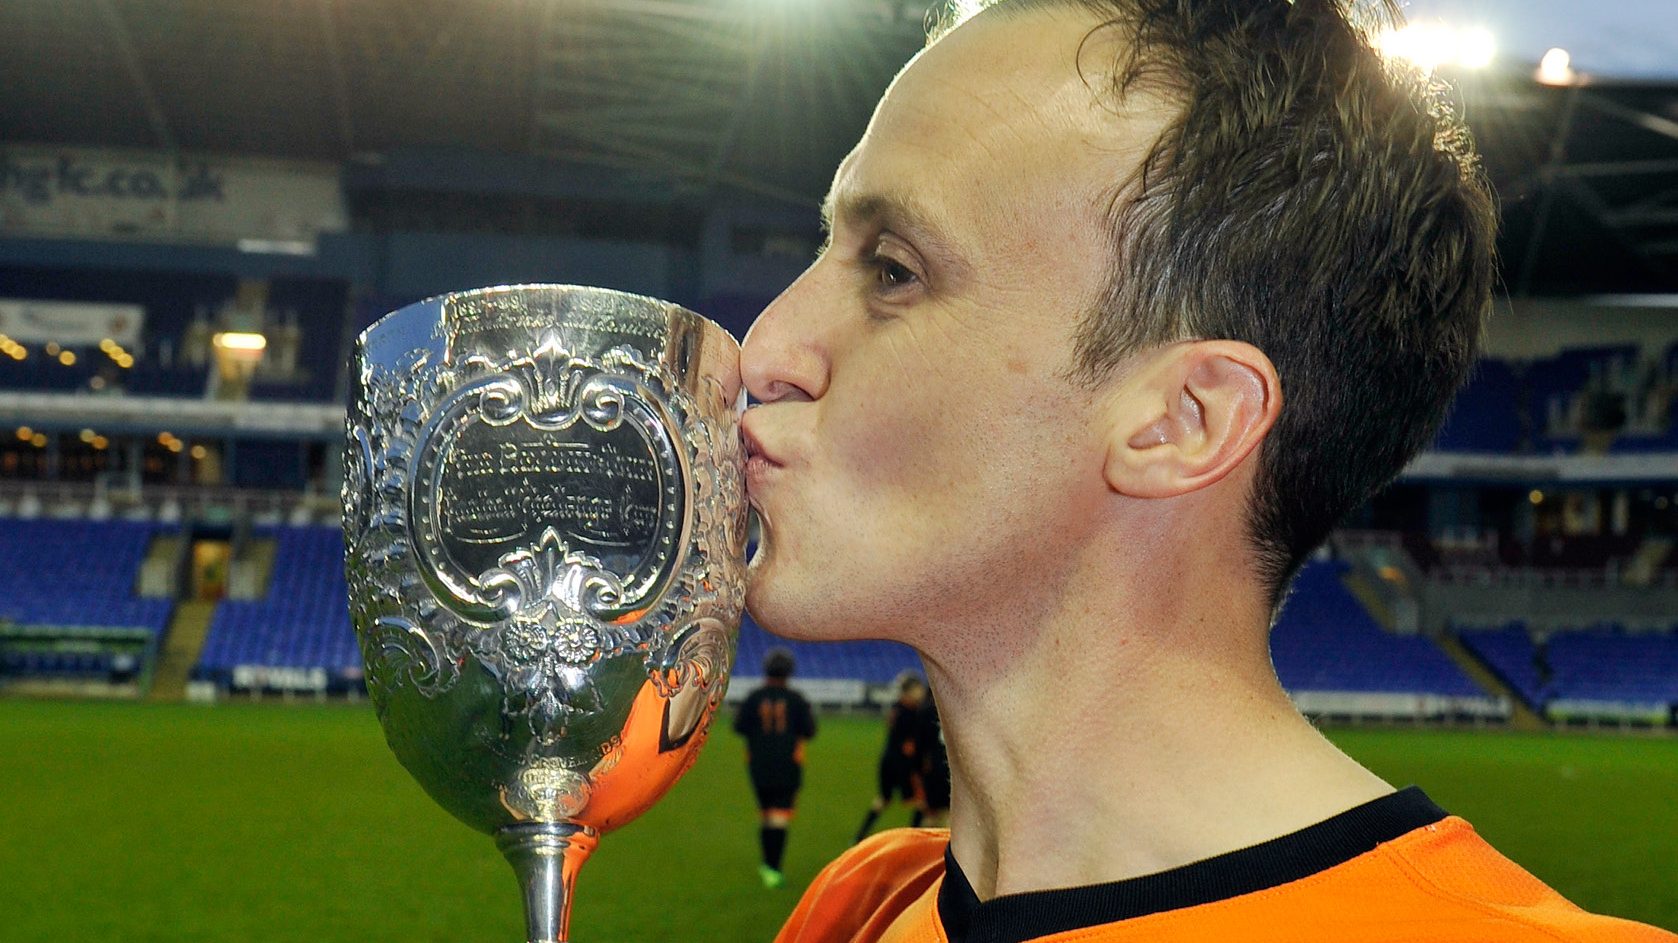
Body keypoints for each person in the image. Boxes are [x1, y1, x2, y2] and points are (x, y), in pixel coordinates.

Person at [736, 0, 1678, 940]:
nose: (765, 346)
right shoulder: (858, 907)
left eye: (894, 269)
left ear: (1184, 421)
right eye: (830, 245)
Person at [733, 647, 818, 889]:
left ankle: (767, 864)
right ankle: (773, 867)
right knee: (779, 817)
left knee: (766, 814)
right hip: (787, 766)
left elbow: (739, 727)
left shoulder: (753, 697)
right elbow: (810, 731)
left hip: (758, 766)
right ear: (789, 672)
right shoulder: (797, 700)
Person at [856, 672, 929, 842]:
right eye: (917, 689)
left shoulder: (897, 707)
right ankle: (913, 839)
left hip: (887, 760)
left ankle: (860, 835)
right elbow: (911, 746)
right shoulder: (912, 713)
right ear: (909, 691)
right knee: (921, 801)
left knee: (883, 799)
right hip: (902, 764)